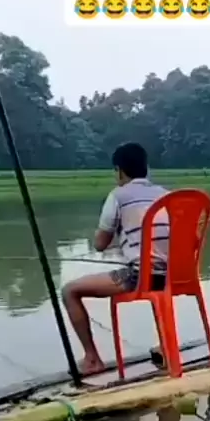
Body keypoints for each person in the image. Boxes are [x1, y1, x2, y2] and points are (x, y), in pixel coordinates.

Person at [62, 142, 169, 374]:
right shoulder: (166, 195)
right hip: (173, 275)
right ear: (146, 168)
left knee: (70, 291)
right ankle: (167, 346)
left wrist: (117, 239)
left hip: (142, 276)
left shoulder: (118, 196)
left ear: (119, 171)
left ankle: (92, 359)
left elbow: (100, 244)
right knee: (157, 285)